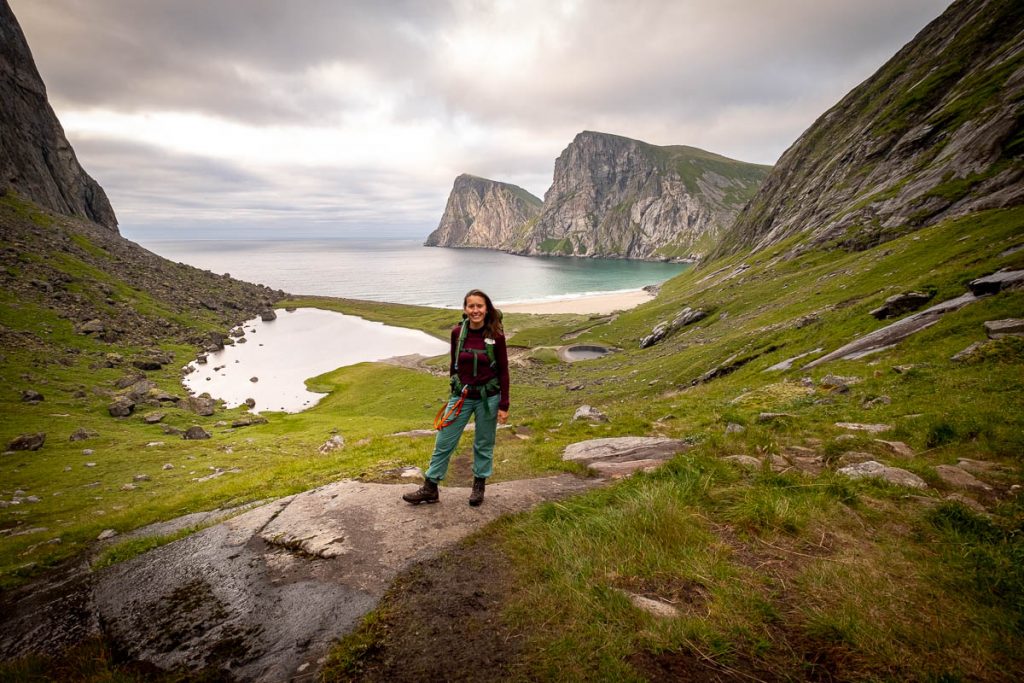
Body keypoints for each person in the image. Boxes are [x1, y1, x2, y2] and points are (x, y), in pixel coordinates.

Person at [403, 289, 510, 507]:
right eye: (471, 306)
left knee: (483, 443)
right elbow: (454, 365)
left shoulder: (496, 336)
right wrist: (455, 390)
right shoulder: (457, 333)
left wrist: (504, 404)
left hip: (488, 398)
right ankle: (430, 487)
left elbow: (504, 371)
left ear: (486, 308)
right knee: (444, 441)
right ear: (465, 309)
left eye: (479, 306)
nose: (475, 310)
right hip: (461, 396)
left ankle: (478, 486)